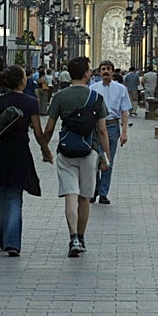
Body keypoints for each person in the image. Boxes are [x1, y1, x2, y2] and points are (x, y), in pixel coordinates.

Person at [44, 56, 111, 257]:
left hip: (66, 150)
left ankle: (72, 236)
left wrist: (44, 148)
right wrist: (105, 156)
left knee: (70, 196)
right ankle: (81, 237)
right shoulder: (96, 98)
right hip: (89, 151)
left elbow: (49, 127)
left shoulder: (59, 97)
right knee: (84, 197)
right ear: (86, 74)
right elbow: (102, 131)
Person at [0, 65, 50, 256]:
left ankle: (2, 237)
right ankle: (12, 243)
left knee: (0, 194)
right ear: (23, 81)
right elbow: (38, 132)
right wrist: (45, 150)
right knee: (15, 196)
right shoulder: (31, 102)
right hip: (20, 152)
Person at [89, 60, 131, 205]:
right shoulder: (93, 88)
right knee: (94, 159)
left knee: (108, 159)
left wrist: (124, 131)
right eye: (103, 69)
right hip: (95, 127)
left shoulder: (121, 89)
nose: (106, 71)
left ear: (113, 72)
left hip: (112, 126)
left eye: (108, 69)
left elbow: (125, 111)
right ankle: (93, 190)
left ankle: (103, 193)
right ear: (99, 72)